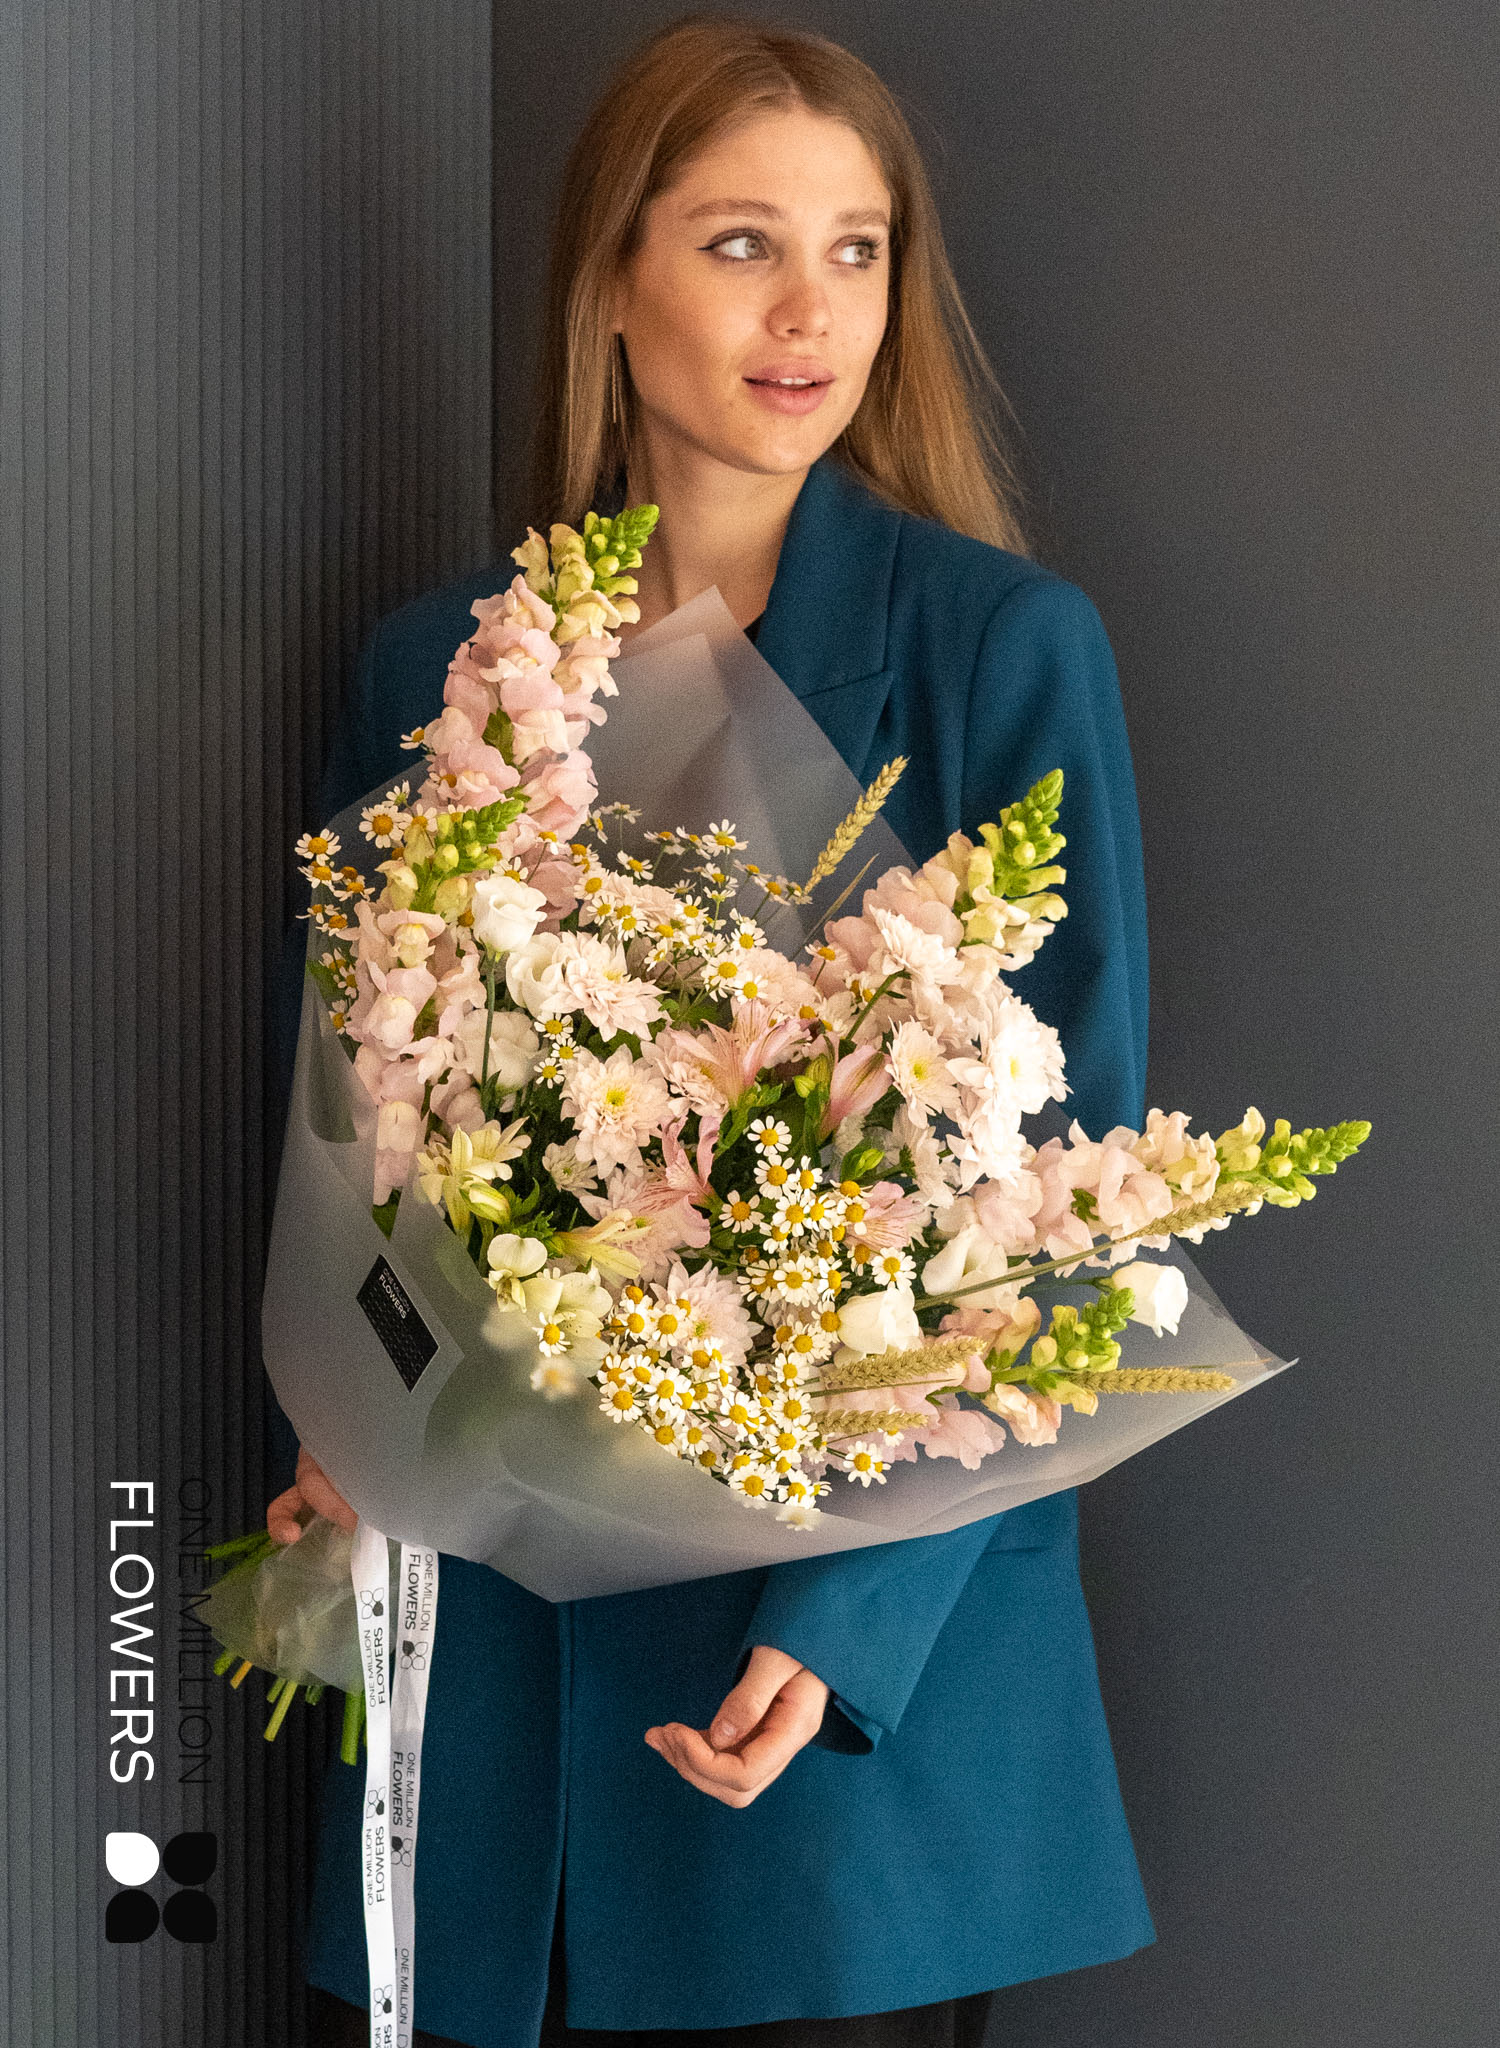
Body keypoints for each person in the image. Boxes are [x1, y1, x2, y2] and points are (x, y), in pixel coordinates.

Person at [269, 18, 1155, 2048]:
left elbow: (1068, 1203)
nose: (808, 312)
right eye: (744, 243)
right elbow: (360, 1133)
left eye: (857, 251)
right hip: (486, 1702)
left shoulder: (998, 651)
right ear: (614, 279)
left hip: (829, 1720)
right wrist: (346, 1409)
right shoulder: (438, 669)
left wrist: (848, 1626)